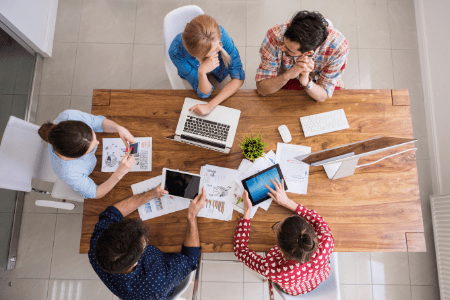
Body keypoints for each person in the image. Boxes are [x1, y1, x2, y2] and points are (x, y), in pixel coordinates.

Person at [89, 184, 206, 300]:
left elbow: (111, 213)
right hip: (163, 281)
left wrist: (152, 193)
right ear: (135, 263)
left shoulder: (98, 246)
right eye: (144, 242)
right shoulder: (158, 279)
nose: (145, 238)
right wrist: (192, 215)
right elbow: (191, 259)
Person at [234, 178, 334, 299]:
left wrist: (247, 211)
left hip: (294, 290)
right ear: (309, 230)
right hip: (319, 278)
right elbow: (318, 220)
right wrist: (287, 202)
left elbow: (240, 250)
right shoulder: (326, 240)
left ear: (280, 250)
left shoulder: (273, 270)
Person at [38, 109, 135, 199]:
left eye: (93, 134)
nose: (97, 142)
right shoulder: (68, 172)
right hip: (93, 174)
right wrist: (119, 173)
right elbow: (96, 193)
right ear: (77, 157)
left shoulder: (69, 116)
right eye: (91, 148)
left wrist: (119, 128)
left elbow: (99, 123)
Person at [255, 11, 349, 102]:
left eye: (289, 50)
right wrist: (287, 75)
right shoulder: (274, 36)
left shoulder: (338, 48)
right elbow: (261, 89)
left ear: (308, 53)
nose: (282, 48)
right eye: (284, 42)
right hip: (285, 77)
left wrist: (306, 81)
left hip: (318, 81)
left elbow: (322, 96)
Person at [169, 14, 245, 116]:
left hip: (221, 72)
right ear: (200, 55)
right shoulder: (176, 52)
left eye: (219, 43)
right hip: (194, 76)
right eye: (214, 50)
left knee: (228, 105)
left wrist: (209, 106)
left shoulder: (219, 34)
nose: (219, 48)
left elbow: (238, 77)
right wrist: (202, 72)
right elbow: (204, 94)